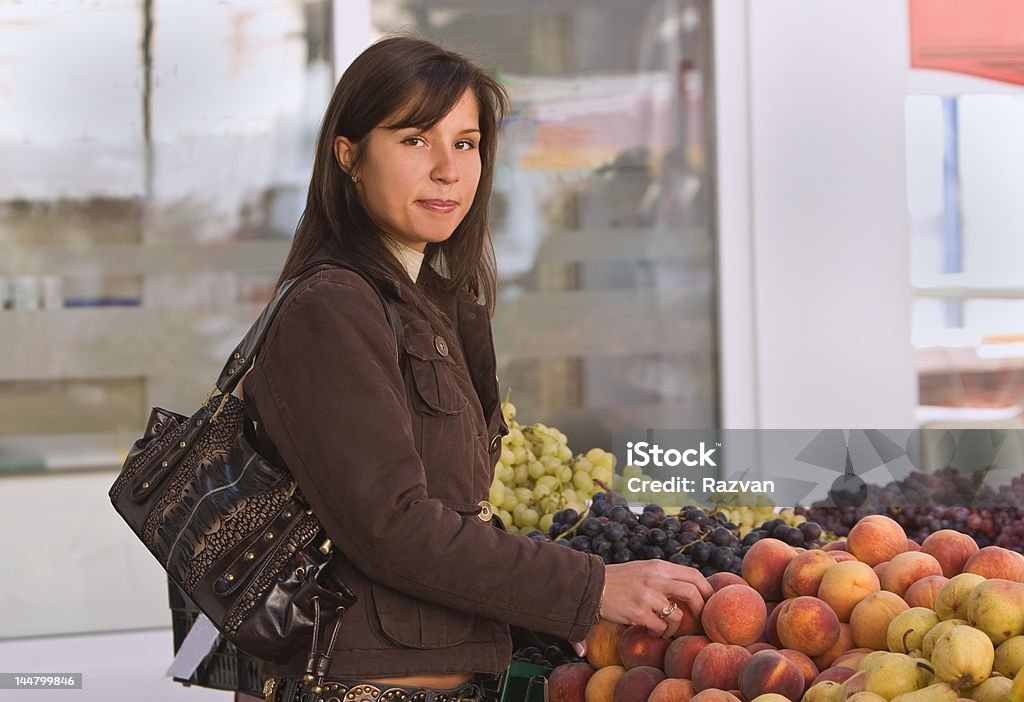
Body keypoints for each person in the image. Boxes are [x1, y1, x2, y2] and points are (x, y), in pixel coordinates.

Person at [242, 34, 712, 702]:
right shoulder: (333, 306)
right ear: (348, 156)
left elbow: (452, 514)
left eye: (465, 144)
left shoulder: (420, 303)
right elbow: (393, 526)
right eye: (414, 140)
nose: (448, 169)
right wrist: (589, 586)